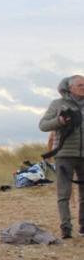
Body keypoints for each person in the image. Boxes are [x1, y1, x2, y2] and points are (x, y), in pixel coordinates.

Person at [39, 74, 84, 238]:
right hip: (64, 154)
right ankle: (66, 228)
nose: (83, 88)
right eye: (80, 85)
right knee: (63, 193)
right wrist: (60, 121)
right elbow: (43, 125)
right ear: (70, 87)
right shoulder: (58, 104)